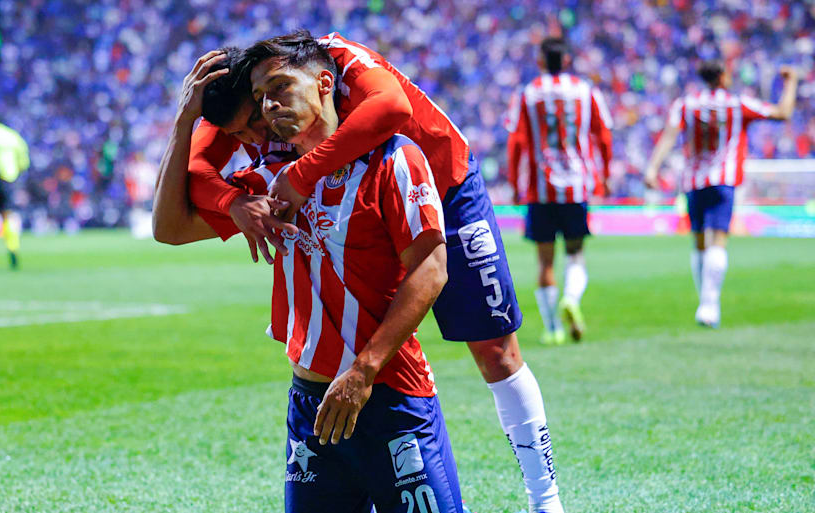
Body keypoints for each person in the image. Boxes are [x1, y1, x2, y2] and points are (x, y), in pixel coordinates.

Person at [154, 33, 564, 513]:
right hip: (334, 193)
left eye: (260, 119)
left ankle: (546, 500)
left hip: (442, 182)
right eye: (245, 131)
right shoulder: (255, 117)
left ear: (319, 83)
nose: (257, 140)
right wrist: (232, 198)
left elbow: (392, 108)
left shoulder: (338, 65)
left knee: (496, 353)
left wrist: (301, 174)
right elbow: (191, 183)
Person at [645, 60, 799, 327]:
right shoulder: (738, 103)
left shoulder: (686, 104)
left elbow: (669, 136)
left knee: (699, 243)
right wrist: (792, 82)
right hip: (723, 180)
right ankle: (709, 305)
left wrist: (652, 168)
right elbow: (783, 113)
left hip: (693, 181)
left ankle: (704, 302)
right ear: (723, 77)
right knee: (718, 240)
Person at [506, 37, 613, 345]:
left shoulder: (527, 93)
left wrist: (515, 183)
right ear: (567, 60)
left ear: (541, 61)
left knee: (545, 262)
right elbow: (603, 135)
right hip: (576, 186)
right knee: (576, 254)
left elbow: (516, 142)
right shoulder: (586, 91)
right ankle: (571, 298)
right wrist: (603, 174)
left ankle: (552, 328)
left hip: (540, 188)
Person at [0, 113, 30, 269]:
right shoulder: (12, 135)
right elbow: (24, 160)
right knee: (7, 215)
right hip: (8, 178)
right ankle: (12, 247)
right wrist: (16, 171)